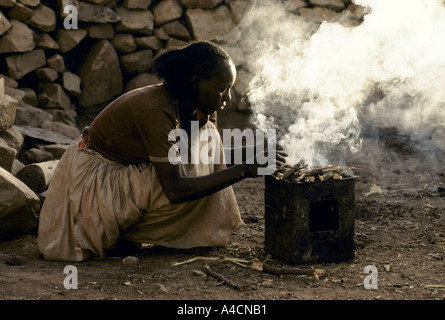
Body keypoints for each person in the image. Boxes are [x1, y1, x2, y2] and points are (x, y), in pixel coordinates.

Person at [37, 40, 285, 262]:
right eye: (222, 89)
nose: (228, 97)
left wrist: (257, 154)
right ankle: (122, 231)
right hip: (93, 184)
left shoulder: (200, 106)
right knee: (194, 170)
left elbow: (210, 155)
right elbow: (176, 190)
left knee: (206, 140)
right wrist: (243, 170)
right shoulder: (154, 110)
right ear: (196, 82)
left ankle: (134, 231)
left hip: (129, 172)